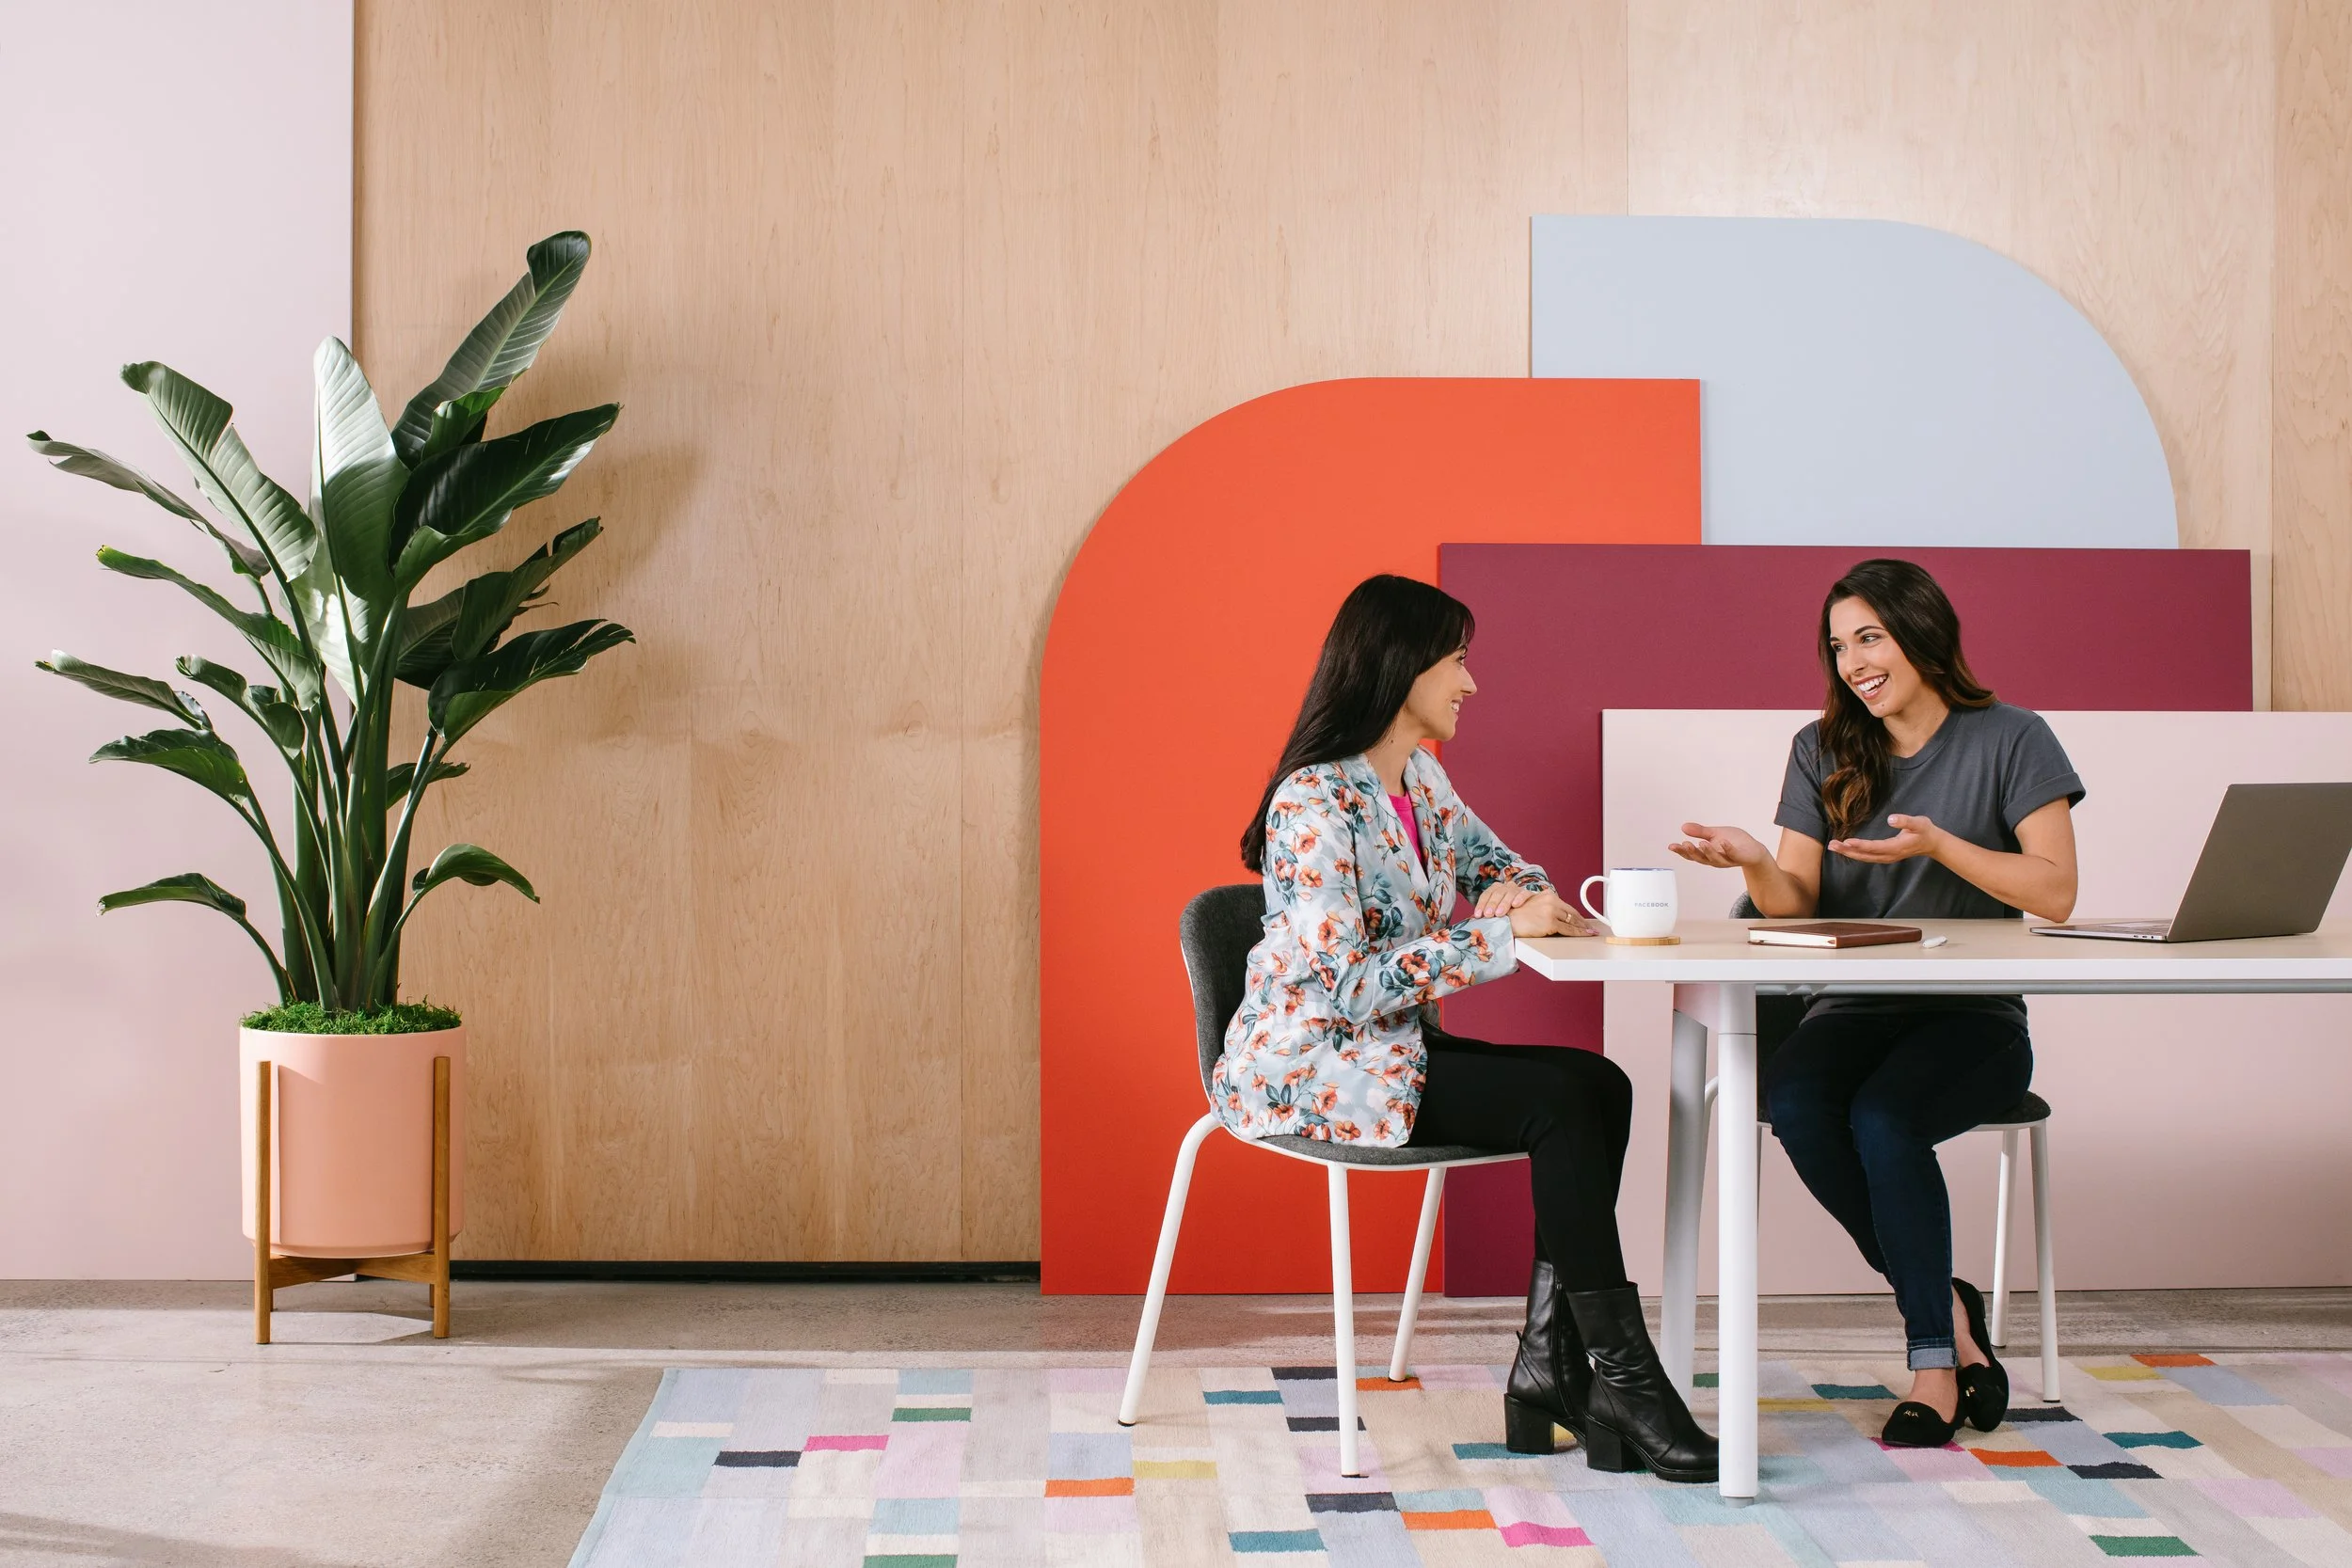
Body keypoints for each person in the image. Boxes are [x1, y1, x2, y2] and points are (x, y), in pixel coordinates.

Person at [1214, 574, 1718, 1483]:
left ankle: (1547, 1363)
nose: (1470, 683)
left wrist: (1517, 895)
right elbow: (1351, 986)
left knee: (1601, 1082)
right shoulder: (1311, 803)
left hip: (1395, 1051)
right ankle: (1626, 1381)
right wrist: (1495, 932)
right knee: (1565, 1098)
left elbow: (1502, 861)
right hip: (1314, 1062)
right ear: (1401, 665)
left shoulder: (1420, 777)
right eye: (1458, 660)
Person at [1672, 558, 2082, 1448]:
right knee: (1799, 1102)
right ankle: (1952, 1311)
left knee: (1887, 1120)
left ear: (1921, 632)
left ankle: (1933, 1357)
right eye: (1837, 645)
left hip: (1974, 1018)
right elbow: (1797, 904)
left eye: (1869, 636)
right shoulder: (1820, 748)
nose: (1852, 660)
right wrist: (1753, 860)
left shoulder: (2013, 737)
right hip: (1852, 1009)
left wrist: (1941, 844)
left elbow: (2055, 892)